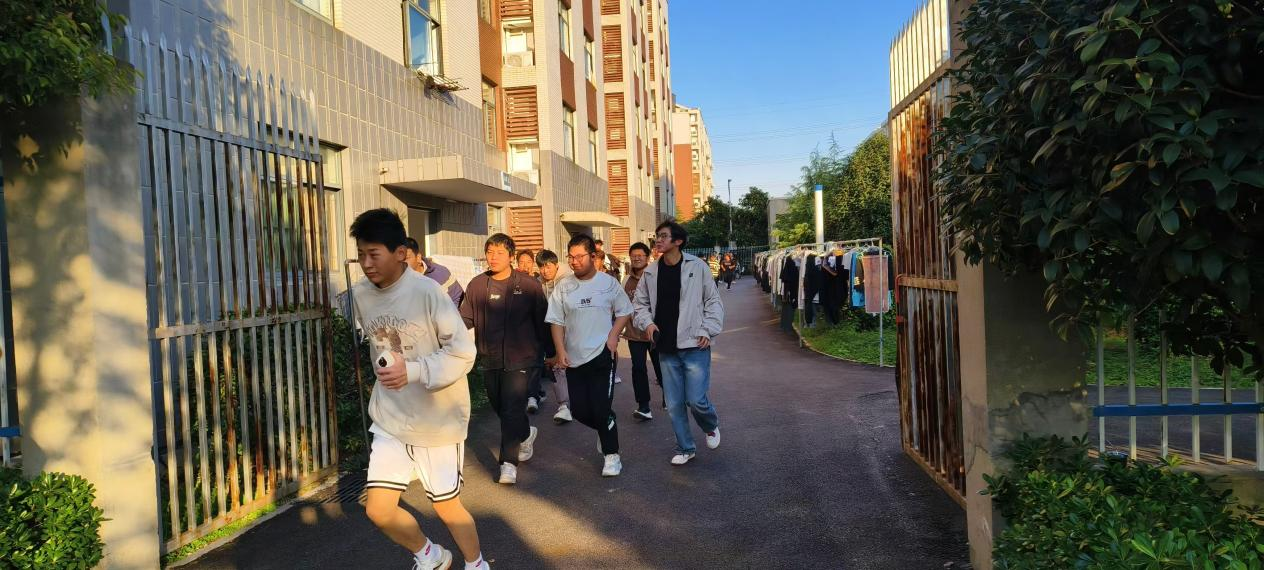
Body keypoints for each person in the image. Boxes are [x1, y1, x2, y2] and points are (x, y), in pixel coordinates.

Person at [348, 209, 488, 570]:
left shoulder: (428, 292)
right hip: (392, 416)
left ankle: (476, 564)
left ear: (400, 253)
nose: (366, 263)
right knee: (378, 510)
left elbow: (463, 352)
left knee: (446, 505)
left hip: (437, 419)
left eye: (373, 254)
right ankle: (431, 556)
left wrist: (412, 370)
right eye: (361, 254)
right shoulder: (361, 294)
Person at [459, 234, 549, 485]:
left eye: (499, 252)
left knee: (511, 408)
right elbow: (464, 319)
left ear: (511, 256)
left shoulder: (528, 285)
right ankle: (526, 433)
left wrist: (551, 352)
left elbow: (543, 319)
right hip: (490, 357)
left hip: (522, 357)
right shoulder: (477, 285)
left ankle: (508, 463)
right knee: (501, 406)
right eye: (490, 252)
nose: (493, 257)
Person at [633, 221, 725, 466]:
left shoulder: (697, 266)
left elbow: (713, 301)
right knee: (674, 404)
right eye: (657, 236)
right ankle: (685, 448)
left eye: (663, 236)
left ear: (678, 241)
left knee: (696, 400)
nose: (658, 240)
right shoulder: (651, 272)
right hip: (665, 346)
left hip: (695, 343)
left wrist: (708, 329)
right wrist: (647, 324)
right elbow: (639, 304)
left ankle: (710, 425)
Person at [546, 234, 633, 477]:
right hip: (574, 358)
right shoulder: (563, 286)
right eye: (570, 257)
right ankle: (606, 429)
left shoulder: (608, 283)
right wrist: (560, 351)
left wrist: (613, 336)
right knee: (580, 411)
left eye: (579, 256)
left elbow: (625, 311)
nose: (574, 261)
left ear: (593, 256)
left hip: (602, 354)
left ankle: (612, 456)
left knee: (601, 408)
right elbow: (555, 321)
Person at [622, 242, 663, 418]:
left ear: (648, 257)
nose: (637, 258)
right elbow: (622, 305)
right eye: (634, 255)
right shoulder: (626, 280)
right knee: (638, 368)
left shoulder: (656, 276)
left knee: (661, 367)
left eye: (640, 255)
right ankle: (643, 406)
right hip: (634, 334)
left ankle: (669, 397)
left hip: (655, 332)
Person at [535, 249, 572, 423]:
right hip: (551, 330)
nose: (545, 271)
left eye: (548, 266)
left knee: (575, 366)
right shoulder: (538, 284)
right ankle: (563, 405)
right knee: (557, 366)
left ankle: (581, 400)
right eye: (541, 267)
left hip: (572, 330)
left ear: (556, 265)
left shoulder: (570, 280)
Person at [404, 237, 465, 306]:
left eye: (406, 258)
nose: (401, 263)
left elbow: (456, 299)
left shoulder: (439, 276)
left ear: (418, 258)